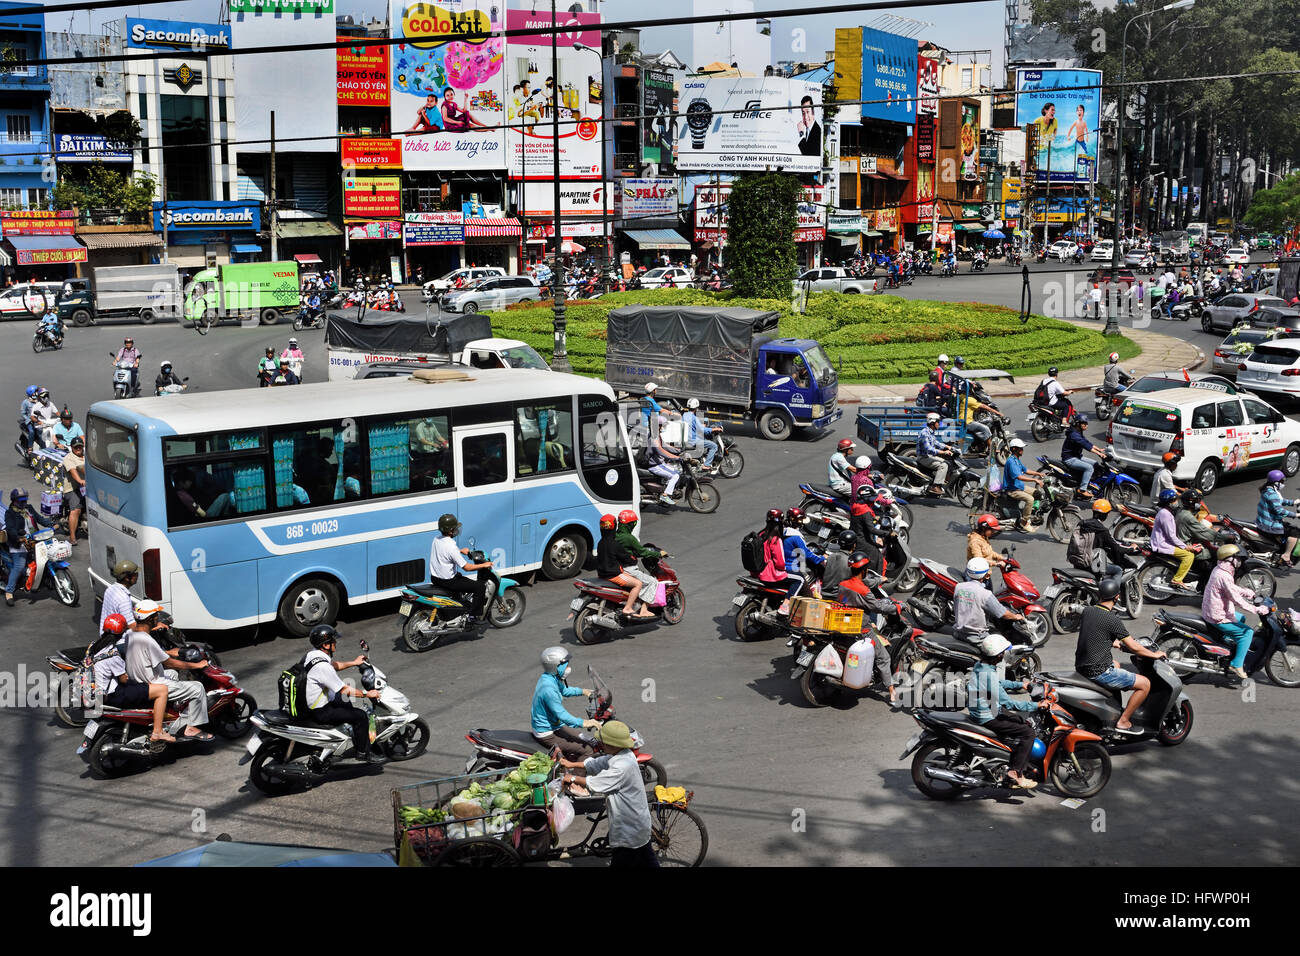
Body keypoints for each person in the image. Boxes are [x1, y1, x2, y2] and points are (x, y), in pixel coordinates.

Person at [558, 720, 656, 867]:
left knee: (624, 859)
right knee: (647, 858)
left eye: (604, 742)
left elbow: (596, 783)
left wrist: (572, 778)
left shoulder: (622, 767)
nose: (601, 744)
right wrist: (572, 764)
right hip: (637, 824)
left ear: (614, 745)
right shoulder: (622, 754)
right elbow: (598, 763)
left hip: (630, 827)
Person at [1075, 578, 1167, 733]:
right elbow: (1134, 647)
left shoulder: (1088, 611)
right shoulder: (1113, 619)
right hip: (1098, 671)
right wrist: (1154, 655)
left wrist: (1111, 642)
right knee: (1145, 684)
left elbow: (1094, 632)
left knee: (1116, 664)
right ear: (1117, 597)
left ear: (1100, 594)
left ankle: (1113, 708)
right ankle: (1123, 721)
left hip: (1081, 666)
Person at [121, 600, 212, 740]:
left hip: (138, 679)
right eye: (156, 615)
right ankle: (191, 727)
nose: (158, 618)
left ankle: (170, 713)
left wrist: (152, 628)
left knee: (173, 674)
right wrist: (197, 665)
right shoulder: (148, 640)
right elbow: (169, 663)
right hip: (154, 683)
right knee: (197, 688)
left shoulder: (129, 634)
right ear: (151, 618)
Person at [967, 634, 1048, 788]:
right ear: (997, 655)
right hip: (987, 715)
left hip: (984, 710)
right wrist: (1037, 706)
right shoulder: (988, 674)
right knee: (1028, 732)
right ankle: (1015, 772)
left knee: (1020, 721)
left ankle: (1009, 759)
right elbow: (1009, 703)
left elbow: (998, 683)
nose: (1004, 655)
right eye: (1003, 653)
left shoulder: (982, 665)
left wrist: (1020, 685)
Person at [87, 613, 174, 748]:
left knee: (143, 687)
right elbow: (124, 679)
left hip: (96, 692)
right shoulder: (112, 653)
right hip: (113, 694)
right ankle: (158, 732)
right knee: (161, 690)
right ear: (121, 632)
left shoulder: (94, 647)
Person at [300, 625, 384, 763]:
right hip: (321, 710)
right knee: (361, 716)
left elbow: (334, 665)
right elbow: (345, 690)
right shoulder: (323, 667)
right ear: (325, 645)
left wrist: (354, 662)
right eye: (333, 641)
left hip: (315, 702)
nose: (336, 643)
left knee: (344, 701)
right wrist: (368, 694)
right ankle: (363, 752)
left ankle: (354, 733)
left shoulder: (313, 655)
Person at [836, 556, 900, 702]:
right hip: (862, 629)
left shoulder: (843, 584)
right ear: (864, 571)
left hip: (844, 623)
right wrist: (897, 607)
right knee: (884, 658)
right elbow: (877, 607)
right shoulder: (863, 590)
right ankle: (891, 691)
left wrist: (880, 580)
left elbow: (866, 583)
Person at [1202, 544, 1266, 682]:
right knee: (1247, 633)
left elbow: (1231, 588)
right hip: (1217, 615)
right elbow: (1236, 600)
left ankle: (1227, 645)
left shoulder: (1220, 569)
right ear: (1230, 559)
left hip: (1214, 610)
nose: (1240, 561)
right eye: (1238, 558)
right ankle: (1236, 664)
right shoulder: (1224, 575)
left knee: (1241, 618)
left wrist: (1248, 592)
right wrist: (1256, 609)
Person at [532, 646, 597, 759]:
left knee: (588, 739)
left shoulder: (551, 678)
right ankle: (575, 776)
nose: (568, 667)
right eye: (566, 664)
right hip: (547, 733)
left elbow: (564, 690)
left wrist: (583, 691)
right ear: (555, 666)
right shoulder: (548, 689)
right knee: (587, 749)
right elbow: (561, 714)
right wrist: (584, 722)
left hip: (555, 725)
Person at [429, 513, 493, 623]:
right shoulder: (451, 546)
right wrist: (484, 565)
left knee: (460, 577)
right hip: (448, 581)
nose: (456, 530)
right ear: (450, 531)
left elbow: (445, 552)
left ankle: (460, 606)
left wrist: (459, 551)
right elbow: (467, 567)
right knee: (479, 587)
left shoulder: (436, 539)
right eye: (455, 528)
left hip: (435, 578)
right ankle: (473, 616)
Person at [953, 557, 1024, 645]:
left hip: (958, 633)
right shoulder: (985, 594)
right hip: (978, 637)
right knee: (1006, 645)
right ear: (987, 576)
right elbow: (1003, 614)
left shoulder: (958, 587)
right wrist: (1016, 616)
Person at [595, 514, 655, 618]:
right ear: (614, 527)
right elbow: (626, 557)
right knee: (638, 584)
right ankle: (628, 608)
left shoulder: (600, 543)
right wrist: (633, 559)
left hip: (602, 574)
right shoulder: (614, 544)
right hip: (614, 575)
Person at [4, 488, 54, 606]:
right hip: (19, 543)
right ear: (14, 501)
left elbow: (39, 519)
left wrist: (52, 524)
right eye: (20, 501)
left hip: (34, 539)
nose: (23, 503)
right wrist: (18, 537)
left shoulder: (29, 508)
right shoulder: (10, 513)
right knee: (19, 566)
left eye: (24, 500)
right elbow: (10, 529)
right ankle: (9, 591)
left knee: (47, 557)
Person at [613, 510, 664, 607]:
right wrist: (657, 554)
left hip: (617, 568)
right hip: (629, 570)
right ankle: (644, 609)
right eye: (633, 523)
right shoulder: (629, 538)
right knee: (653, 582)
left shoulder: (614, 536)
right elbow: (642, 551)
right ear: (630, 524)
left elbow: (628, 552)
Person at [1150, 489, 1198, 590]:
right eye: (1173, 500)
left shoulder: (1166, 512)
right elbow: (1171, 536)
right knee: (1189, 556)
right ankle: (1177, 580)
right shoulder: (1165, 515)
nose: (1176, 502)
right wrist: (1185, 547)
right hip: (1162, 544)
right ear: (1168, 503)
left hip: (1165, 542)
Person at [758, 508, 802, 615]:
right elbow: (780, 563)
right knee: (799, 579)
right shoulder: (775, 539)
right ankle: (786, 606)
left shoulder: (761, 535)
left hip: (758, 572)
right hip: (770, 574)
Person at [1256, 469, 1300, 566]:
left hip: (1262, 521)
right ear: (1276, 483)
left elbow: (1279, 501)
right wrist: (1296, 515)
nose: (1283, 483)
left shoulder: (1267, 490)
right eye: (1282, 481)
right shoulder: (1272, 494)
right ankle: (1286, 555)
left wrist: (1293, 502)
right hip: (1269, 525)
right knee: (1296, 532)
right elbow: (1280, 511)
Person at [1061, 414, 1108, 495]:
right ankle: (1082, 489)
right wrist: (1099, 454)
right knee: (1089, 468)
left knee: (1095, 464)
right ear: (1078, 424)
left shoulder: (1078, 432)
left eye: (1086, 423)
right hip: (1070, 458)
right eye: (1084, 423)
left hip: (1077, 456)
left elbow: (1087, 442)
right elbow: (1085, 445)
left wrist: (1099, 449)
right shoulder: (1074, 435)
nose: (1086, 425)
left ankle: (1090, 482)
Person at [1004, 439, 1044, 532]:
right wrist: (1034, 479)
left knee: (1037, 493)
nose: (1022, 450)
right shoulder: (1011, 462)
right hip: (1012, 489)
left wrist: (1038, 474)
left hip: (1020, 486)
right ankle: (1024, 521)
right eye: (1020, 448)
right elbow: (1020, 477)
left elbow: (1025, 470)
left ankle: (1029, 512)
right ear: (1014, 449)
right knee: (1030, 499)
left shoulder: (1016, 459)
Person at [782, 507, 825, 591]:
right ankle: (786, 604)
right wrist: (822, 559)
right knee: (806, 592)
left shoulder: (783, 532)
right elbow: (807, 554)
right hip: (791, 568)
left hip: (781, 566)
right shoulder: (796, 536)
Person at [645, 416, 683, 505]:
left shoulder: (657, 436)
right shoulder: (653, 438)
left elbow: (665, 446)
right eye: (661, 425)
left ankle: (665, 489)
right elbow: (661, 451)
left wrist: (678, 450)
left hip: (660, 463)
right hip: (655, 466)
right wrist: (676, 457)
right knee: (675, 476)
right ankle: (665, 495)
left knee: (678, 471)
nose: (662, 427)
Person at [916, 412, 954, 496]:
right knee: (943, 465)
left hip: (928, 456)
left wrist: (947, 446)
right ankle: (935, 486)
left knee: (946, 462)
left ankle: (940, 481)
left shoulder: (930, 432)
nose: (939, 424)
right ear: (932, 423)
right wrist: (943, 452)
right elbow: (929, 449)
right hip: (923, 457)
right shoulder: (924, 433)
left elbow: (935, 443)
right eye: (938, 422)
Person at [682, 398, 722, 470]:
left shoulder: (684, 415)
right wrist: (714, 429)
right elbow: (704, 431)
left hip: (686, 439)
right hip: (692, 441)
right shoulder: (694, 418)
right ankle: (706, 465)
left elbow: (692, 425)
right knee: (714, 446)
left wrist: (701, 425)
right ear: (696, 408)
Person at [819, 530, 857, 601]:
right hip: (839, 598)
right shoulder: (851, 561)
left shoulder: (831, 557)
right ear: (854, 545)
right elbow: (861, 580)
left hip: (824, 594)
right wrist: (878, 580)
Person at [61, 436, 85, 545]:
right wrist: (80, 481)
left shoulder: (87, 456)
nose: (78, 448)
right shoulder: (69, 458)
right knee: (76, 510)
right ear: (72, 448)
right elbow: (73, 471)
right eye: (76, 447)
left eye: (80, 446)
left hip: (88, 487)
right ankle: (72, 537)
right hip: (72, 489)